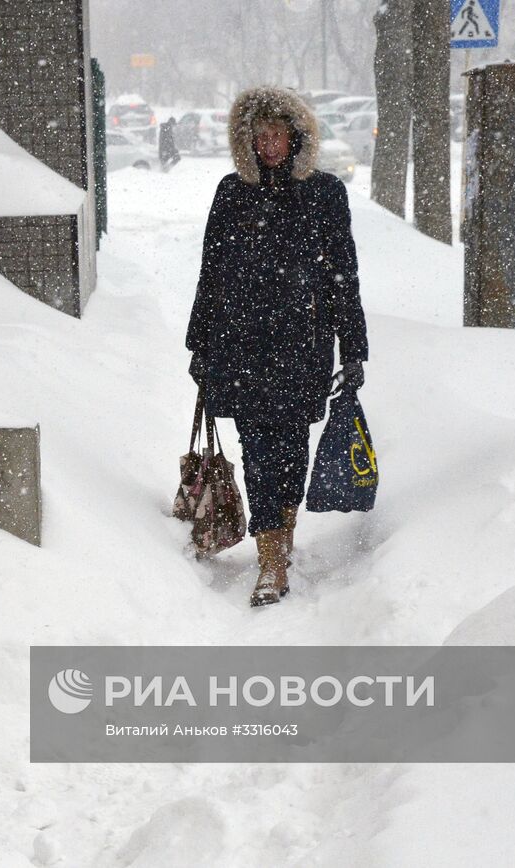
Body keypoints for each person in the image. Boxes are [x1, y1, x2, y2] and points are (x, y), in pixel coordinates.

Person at [186, 86, 368, 607]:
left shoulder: (325, 193)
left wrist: (353, 350)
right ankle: (270, 562)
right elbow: (212, 273)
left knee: (292, 450)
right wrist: (199, 343)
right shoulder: (231, 193)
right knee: (258, 450)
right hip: (240, 345)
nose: (269, 146)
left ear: (297, 136)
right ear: (248, 141)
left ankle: (282, 534)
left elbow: (342, 278)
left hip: (302, 346)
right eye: (260, 137)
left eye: (278, 135)